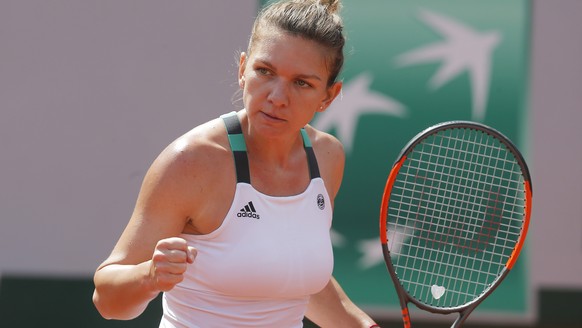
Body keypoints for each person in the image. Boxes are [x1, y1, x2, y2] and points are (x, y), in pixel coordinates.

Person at [93, 0, 380, 327]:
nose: (277, 97)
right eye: (265, 72)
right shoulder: (191, 161)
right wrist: (149, 276)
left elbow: (291, 278)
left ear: (329, 96)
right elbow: (108, 302)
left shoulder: (327, 157)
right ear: (242, 69)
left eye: (302, 83)